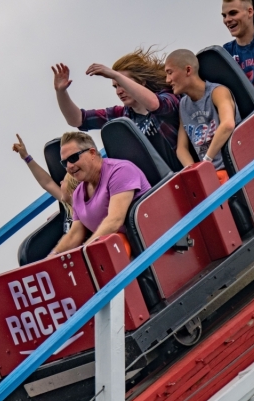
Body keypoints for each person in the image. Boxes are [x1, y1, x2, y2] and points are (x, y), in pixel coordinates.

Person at [52, 48, 182, 169]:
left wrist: (115, 75)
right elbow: (78, 120)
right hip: (157, 180)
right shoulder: (122, 116)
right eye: (115, 86)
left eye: (122, 84)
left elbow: (155, 104)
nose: (119, 92)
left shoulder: (168, 96)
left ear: (141, 82)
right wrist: (61, 92)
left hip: (183, 171)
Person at [50, 131, 151, 255]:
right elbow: (74, 234)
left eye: (73, 158)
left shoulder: (120, 171)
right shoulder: (77, 194)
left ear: (92, 153)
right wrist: (52, 256)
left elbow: (114, 221)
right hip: (120, 255)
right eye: (64, 163)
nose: (69, 166)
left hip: (149, 247)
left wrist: (84, 252)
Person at [164, 49, 241, 181]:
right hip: (211, 174)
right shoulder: (183, 105)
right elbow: (181, 148)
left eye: (170, 73)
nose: (167, 80)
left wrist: (206, 162)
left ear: (188, 70)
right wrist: (196, 172)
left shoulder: (218, 92)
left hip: (233, 166)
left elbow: (228, 124)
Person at [12, 134, 80, 232]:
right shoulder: (68, 202)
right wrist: (26, 157)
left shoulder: (82, 209)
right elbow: (47, 183)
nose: (60, 182)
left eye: (64, 182)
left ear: (72, 191)